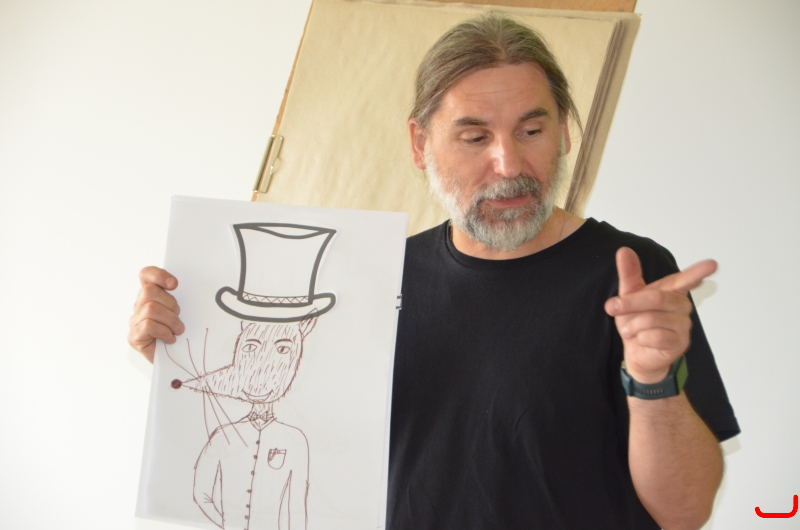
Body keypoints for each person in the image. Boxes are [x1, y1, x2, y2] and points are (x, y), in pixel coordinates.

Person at [129, 14, 739, 530]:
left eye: (532, 130)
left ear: (565, 133)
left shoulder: (631, 278)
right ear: (420, 145)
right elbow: (297, 429)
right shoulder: (373, 280)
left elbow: (684, 511)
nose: (508, 164)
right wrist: (185, 351)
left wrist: (653, 380)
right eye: (475, 137)